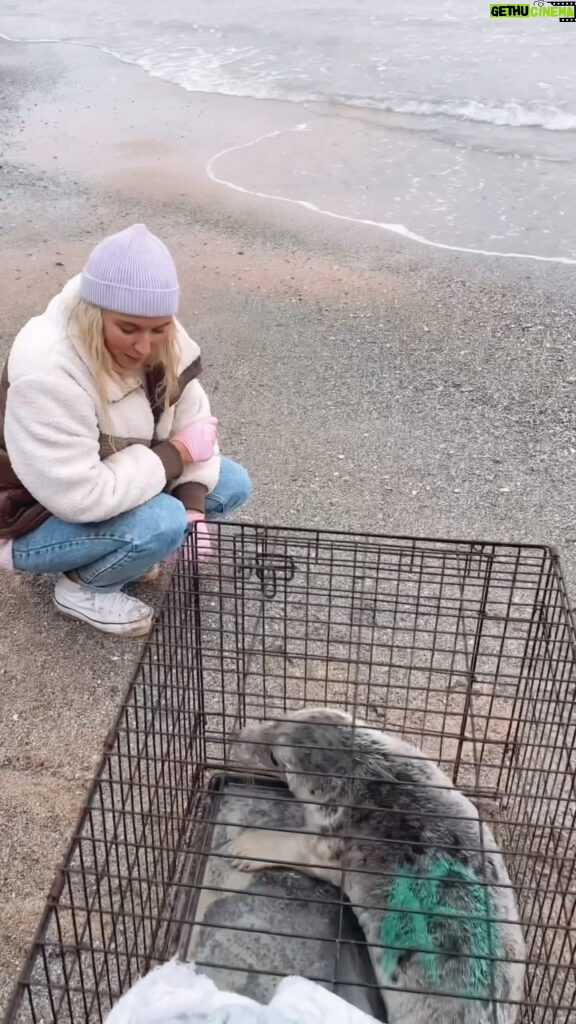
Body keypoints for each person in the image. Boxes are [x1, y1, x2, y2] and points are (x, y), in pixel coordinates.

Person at [0, 223, 252, 637]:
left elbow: (193, 415)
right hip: (25, 512)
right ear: (94, 313)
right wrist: (177, 457)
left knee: (228, 483)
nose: (145, 347)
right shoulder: (47, 369)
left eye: (159, 329)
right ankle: (83, 589)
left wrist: (193, 504)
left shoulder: (154, 325)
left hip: (110, 473)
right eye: (128, 329)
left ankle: (124, 548)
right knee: (160, 521)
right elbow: (79, 497)